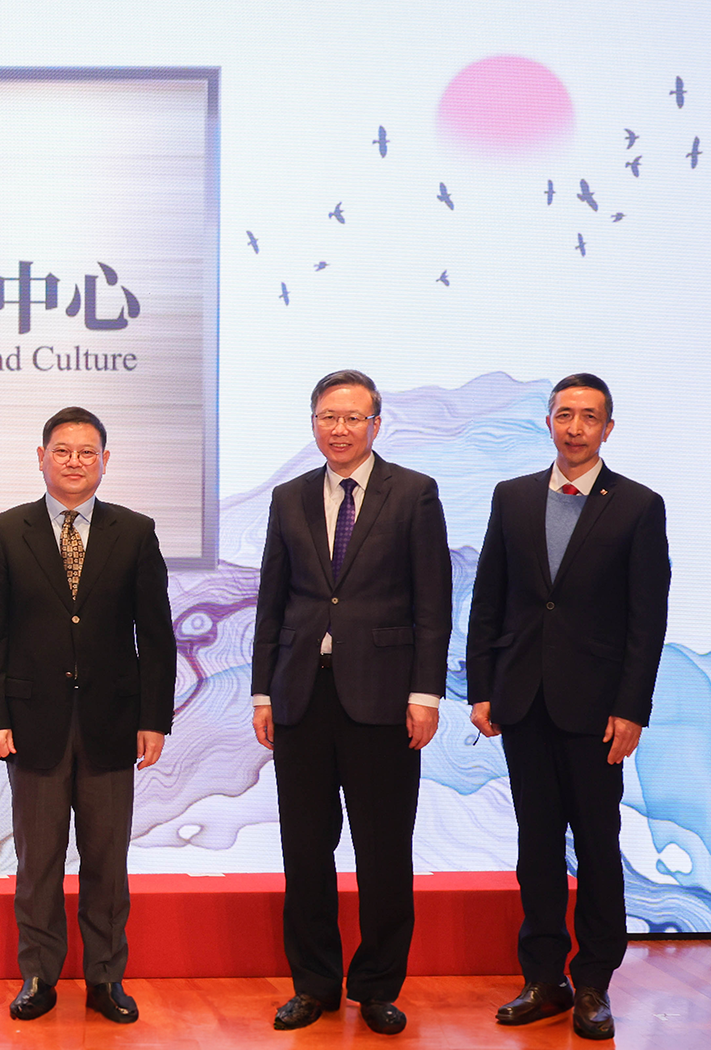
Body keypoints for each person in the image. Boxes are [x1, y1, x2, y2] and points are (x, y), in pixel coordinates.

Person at [467, 373, 668, 1041]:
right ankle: (543, 979)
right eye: (564, 415)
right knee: (536, 847)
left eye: (589, 417)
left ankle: (593, 985)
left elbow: (647, 620)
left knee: (599, 849)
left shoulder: (638, 506)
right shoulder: (513, 497)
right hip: (523, 702)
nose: (575, 427)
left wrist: (631, 707)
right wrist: (483, 688)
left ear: (608, 429)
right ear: (547, 423)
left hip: (596, 711)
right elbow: (489, 598)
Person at [251, 369, 450, 1035]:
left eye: (352, 418)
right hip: (303, 697)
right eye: (327, 417)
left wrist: (426, 693)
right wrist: (262, 691)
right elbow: (272, 605)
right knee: (305, 850)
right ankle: (313, 985)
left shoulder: (414, 494)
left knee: (383, 851)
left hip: (387, 701)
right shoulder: (289, 499)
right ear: (313, 423)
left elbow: (432, 602)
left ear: (376, 424)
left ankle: (377, 986)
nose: (339, 429)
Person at [0, 407, 176, 1024]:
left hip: (114, 725)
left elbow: (156, 636)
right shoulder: (5, 532)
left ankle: (107, 979)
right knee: (39, 862)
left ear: (105, 462)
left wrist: (155, 717)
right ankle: (38, 975)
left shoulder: (135, 532)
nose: (75, 462)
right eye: (63, 452)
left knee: (108, 863)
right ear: (41, 458)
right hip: (33, 727)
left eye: (88, 453)